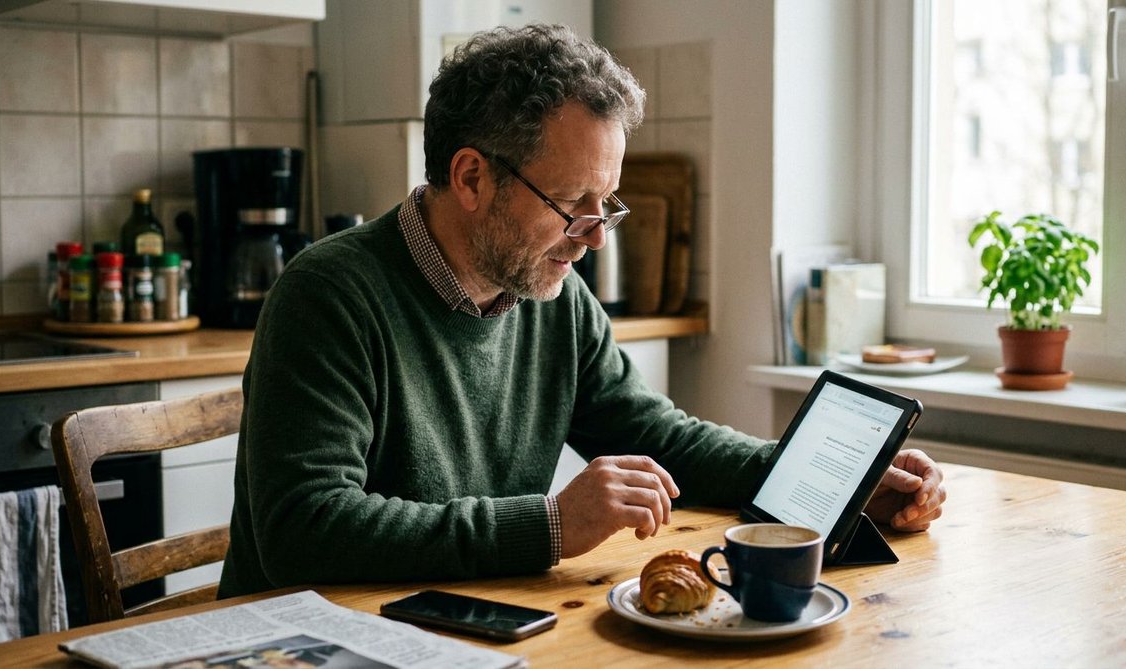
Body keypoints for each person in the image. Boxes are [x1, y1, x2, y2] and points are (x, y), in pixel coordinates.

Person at [218, 23, 946, 598]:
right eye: (573, 205)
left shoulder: (551, 297)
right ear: (472, 177)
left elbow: (663, 440)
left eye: (608, 206)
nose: (595, 237)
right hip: (304, 642)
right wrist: (552, 526)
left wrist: (834, 488)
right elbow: (305, 528)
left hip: (463, 628)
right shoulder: (329, 295)